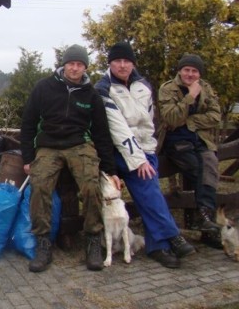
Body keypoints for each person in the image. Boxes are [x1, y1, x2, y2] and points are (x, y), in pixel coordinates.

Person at [95, 42, 196, 268]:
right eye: (117, 61)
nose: (122, 65)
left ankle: (159, 244)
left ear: (133, 63)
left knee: (149, 190)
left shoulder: (143, 86)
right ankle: (170, 238)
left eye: (127, 61)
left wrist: (148, 153)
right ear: (110, 63)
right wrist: (138, 159)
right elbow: (118, 128)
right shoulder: (103, 90)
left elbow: (149, 123)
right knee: (148, 185)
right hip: (119, 152)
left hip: (143, 149)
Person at [21, 44, 120, 273]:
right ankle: (43, 243)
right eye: (71, 64)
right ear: (63, 65)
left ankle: (93, 240)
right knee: (40, 185)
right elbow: (27, 123)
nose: (75, 68)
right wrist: (28, 157)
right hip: (48, 145)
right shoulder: (43, 88)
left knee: (90, 186)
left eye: (79, 64)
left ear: (85, 67)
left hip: (79, 145)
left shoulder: (91, 95)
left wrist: (110, 170)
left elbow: (101, 134)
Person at [157, 53, 223, 248]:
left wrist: (192, 121)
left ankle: (205, 221)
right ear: (180, 71)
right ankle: (203, 220)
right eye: (187, 70)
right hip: (176, 140)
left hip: (200, 139)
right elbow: (171, 119)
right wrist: (190, 97)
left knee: (210, 167)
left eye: (194, 71)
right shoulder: (168, 89)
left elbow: (215, 115)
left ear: (199, 74)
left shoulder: (207, 88)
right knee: (196, 169)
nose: (190, 74)